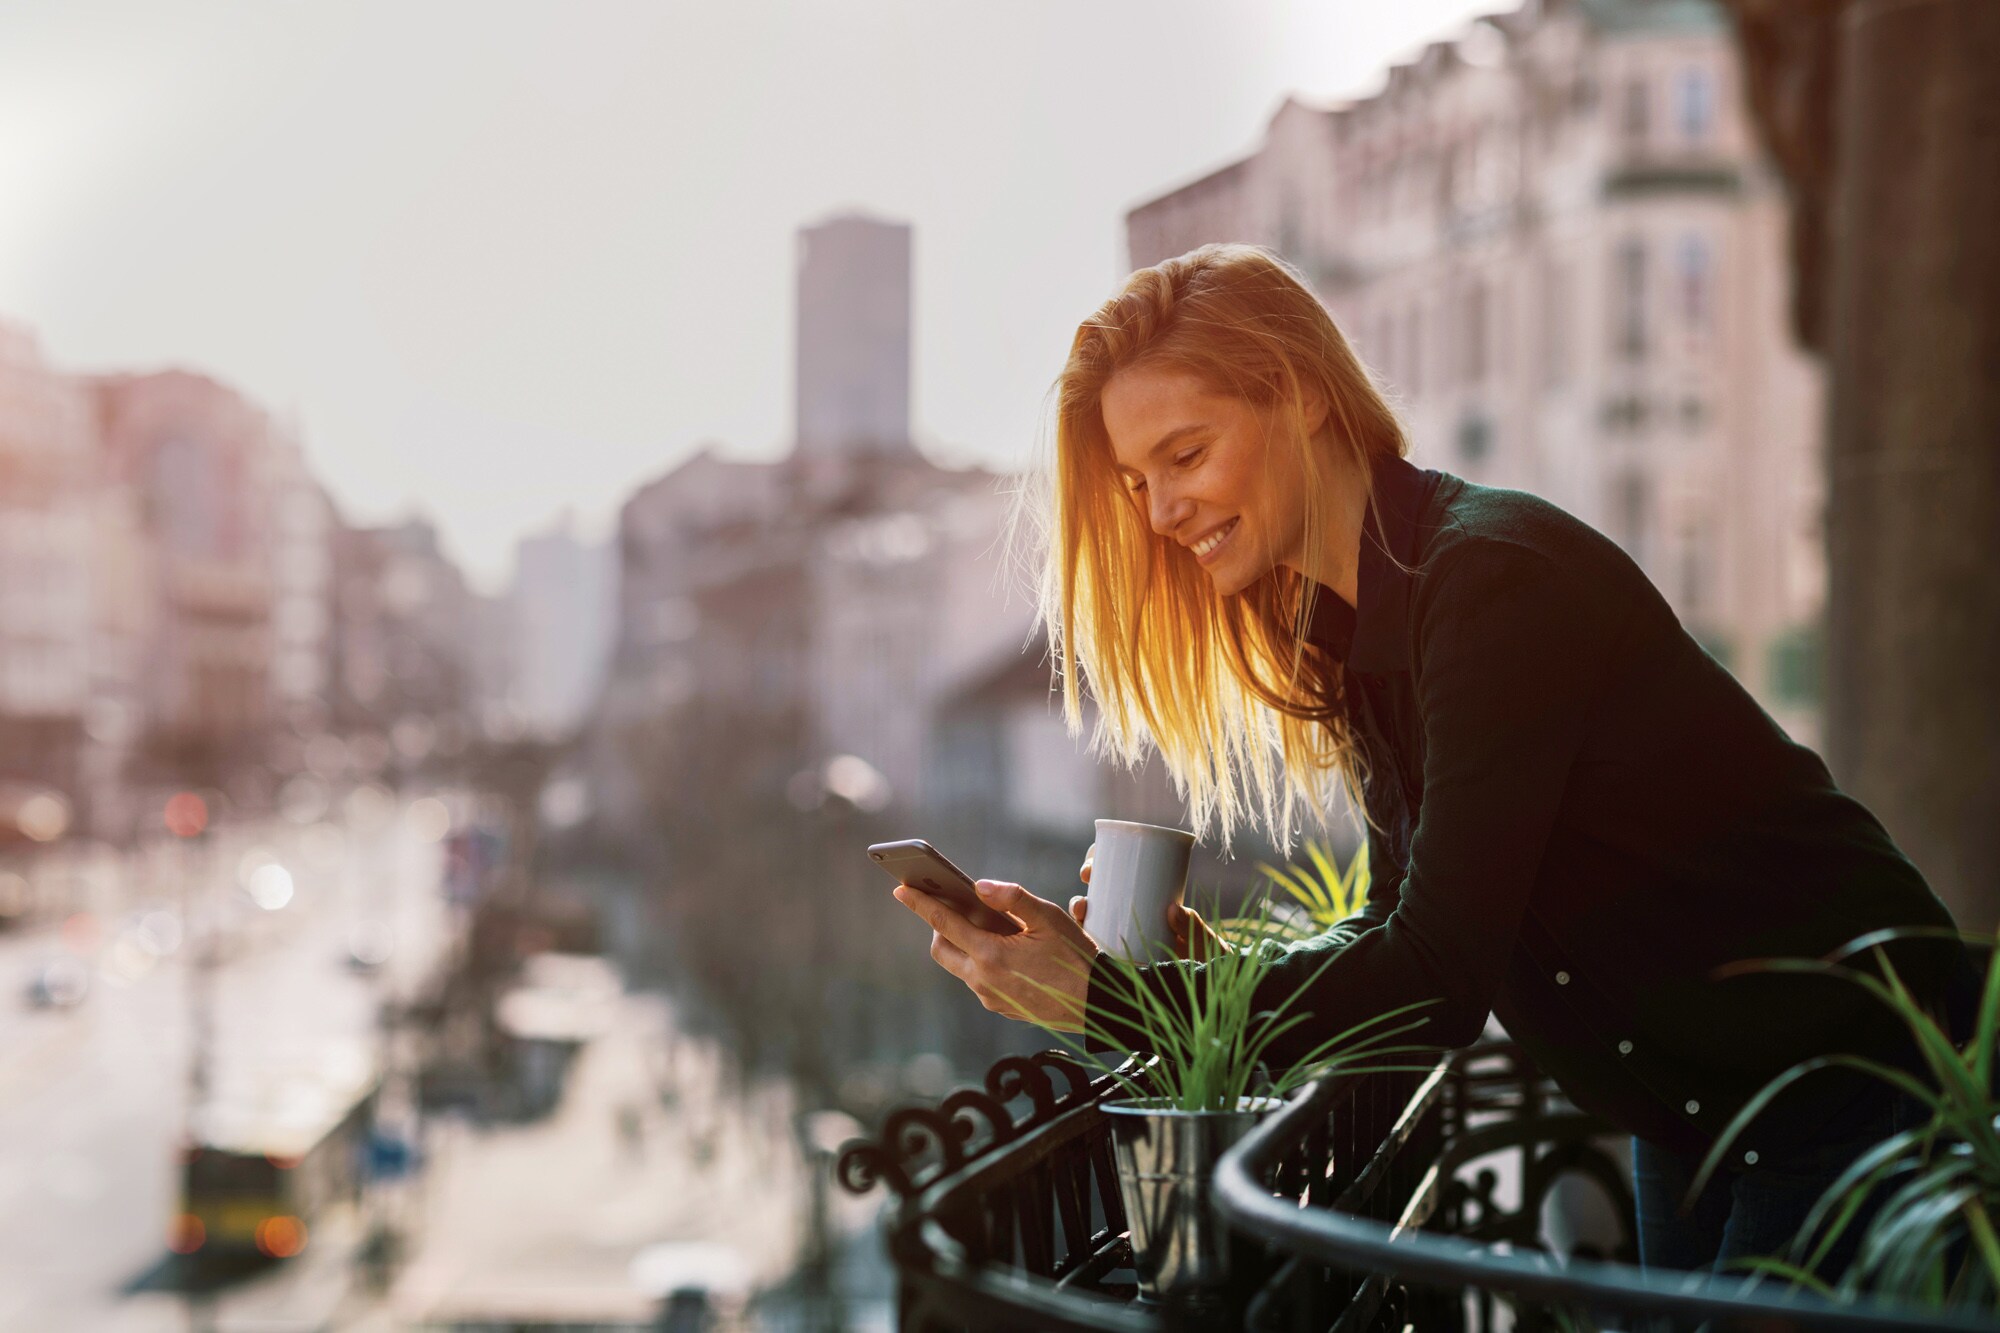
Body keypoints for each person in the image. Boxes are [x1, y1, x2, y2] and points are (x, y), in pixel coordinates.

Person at [889, 243, 1972, 1281]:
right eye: (1135, 481)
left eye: (1184, 455)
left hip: (1850, 1087)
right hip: (1701, 1110)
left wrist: (1117, 1004)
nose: (1161, 513)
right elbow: (1400, 923)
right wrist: (1200, 979)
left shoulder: (1488, 586)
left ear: (1300, 395)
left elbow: (1437, 979)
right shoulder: (1362, 631)